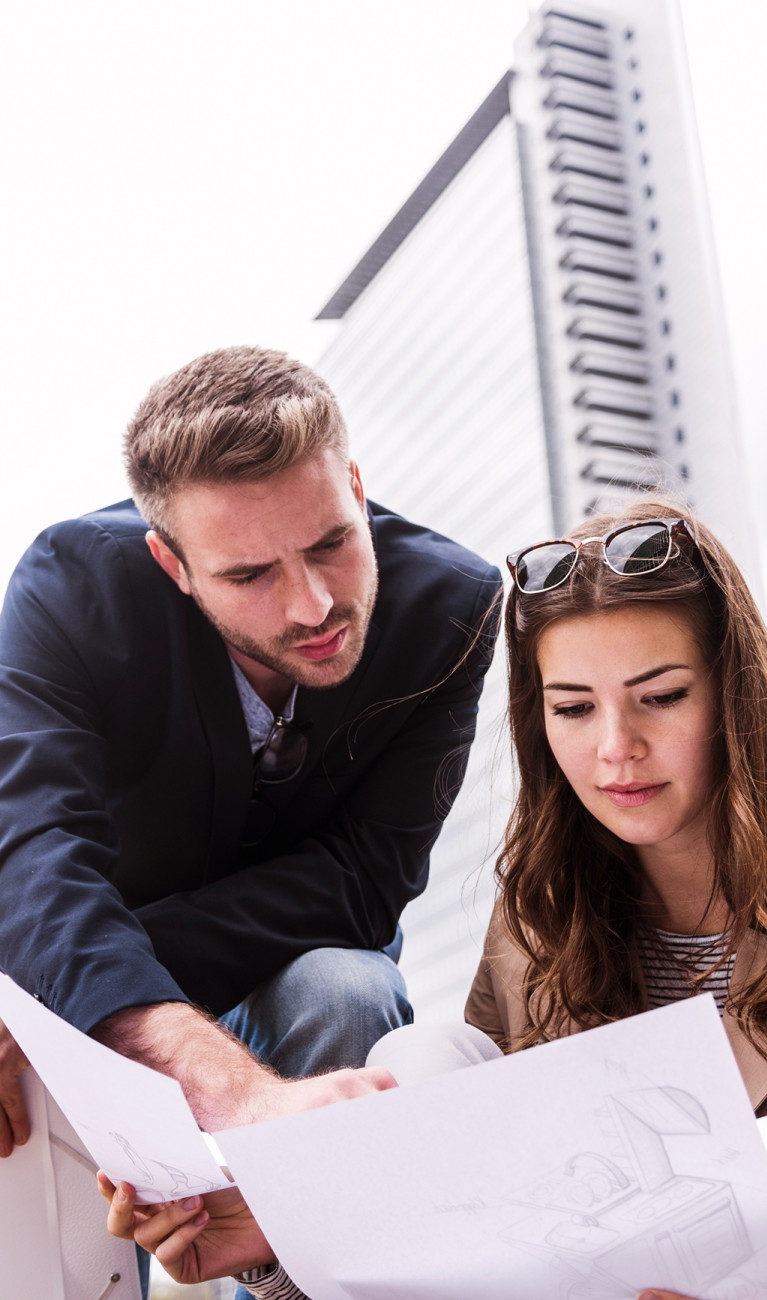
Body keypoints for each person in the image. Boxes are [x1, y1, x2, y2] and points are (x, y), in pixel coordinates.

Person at [103, 498, 767, 1300]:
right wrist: (279, 1242)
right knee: (422, 1063)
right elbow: (482, 1227)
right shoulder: (543, 915)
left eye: (660, 696)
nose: (615, 748)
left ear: (734, 696)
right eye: (573, 708)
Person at [0, 345, 500, 1293]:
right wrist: (83, 1005)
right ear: (172, 563)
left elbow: (365, 877)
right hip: (93, 971)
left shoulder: (453, 610)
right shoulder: (70, 586)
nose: (314, 606)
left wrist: (92, 995)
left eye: (329, 543)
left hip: (284, 966)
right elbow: (35, 845)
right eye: (249, 575)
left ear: (354, 484)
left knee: (346, 990)